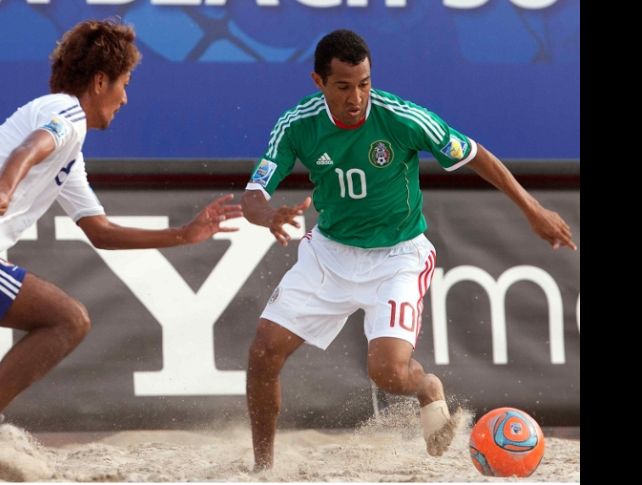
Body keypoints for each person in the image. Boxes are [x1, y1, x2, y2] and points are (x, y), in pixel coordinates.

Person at [242, 29, 576, 470]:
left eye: (364, 83)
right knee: (263, 352)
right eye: (343, 86)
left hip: (398, 257)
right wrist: (269, 216)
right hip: (329, 255)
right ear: (318, 82)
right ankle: (262, 470)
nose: (357, 97)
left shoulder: (402, 117)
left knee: (388, 374)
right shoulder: (297, 124)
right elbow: (253, 195)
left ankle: (427, 389)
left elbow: (475, 153)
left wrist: (533, 210)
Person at [0, 19, 243, 449]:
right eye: (124, 83)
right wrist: (4, 189)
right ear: (100, 81)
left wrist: (185, 235)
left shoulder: (69, 154)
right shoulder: (67, 113)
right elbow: (32, 147)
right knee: (67, 320)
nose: (125, 97)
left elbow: (100, 230)